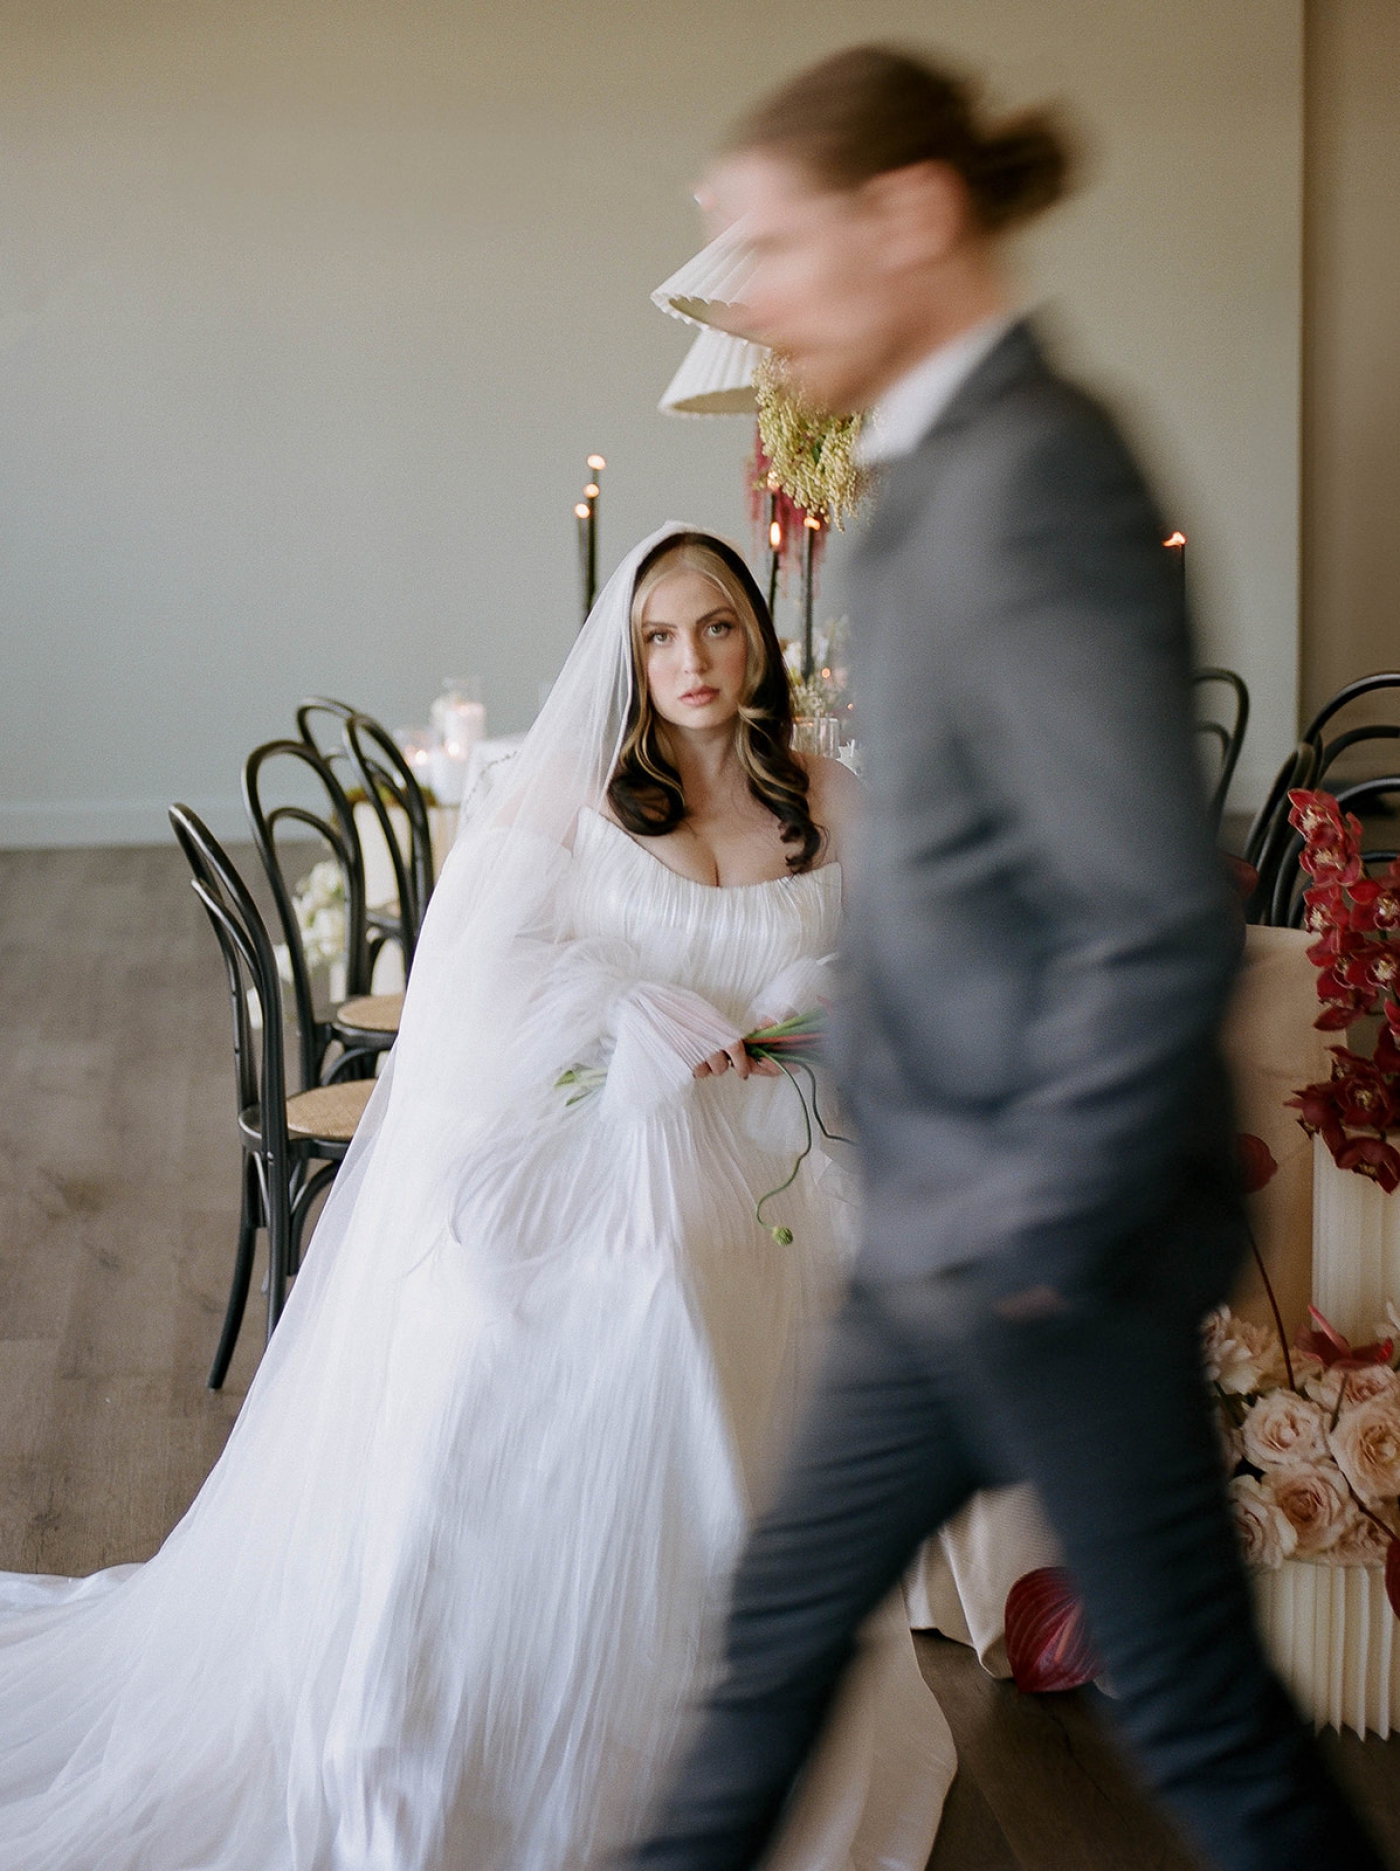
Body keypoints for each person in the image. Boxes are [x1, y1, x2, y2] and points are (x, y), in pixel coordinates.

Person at [626, 48, 1390, 1871]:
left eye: (781, 244)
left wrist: (1024, 1234)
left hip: (1050, 1248)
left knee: (1199, 1723)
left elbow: (1145, 908)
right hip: (968, 1223)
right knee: (782, 1650)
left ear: (911, 218)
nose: (761, 294)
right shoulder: (940, 468)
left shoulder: (1035, 472)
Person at [0, 526, 954, 1870]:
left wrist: (819, 1001)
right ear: (626, 655)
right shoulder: (567, 791)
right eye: (660, 637)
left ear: (760, 640)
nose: (693, 660)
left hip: (782, 1158)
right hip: (592, 1144)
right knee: (611, 1302)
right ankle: (499, 1715)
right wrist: (622, 1006)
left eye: (720, 628)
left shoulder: (827, 793)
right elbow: (467, 991)